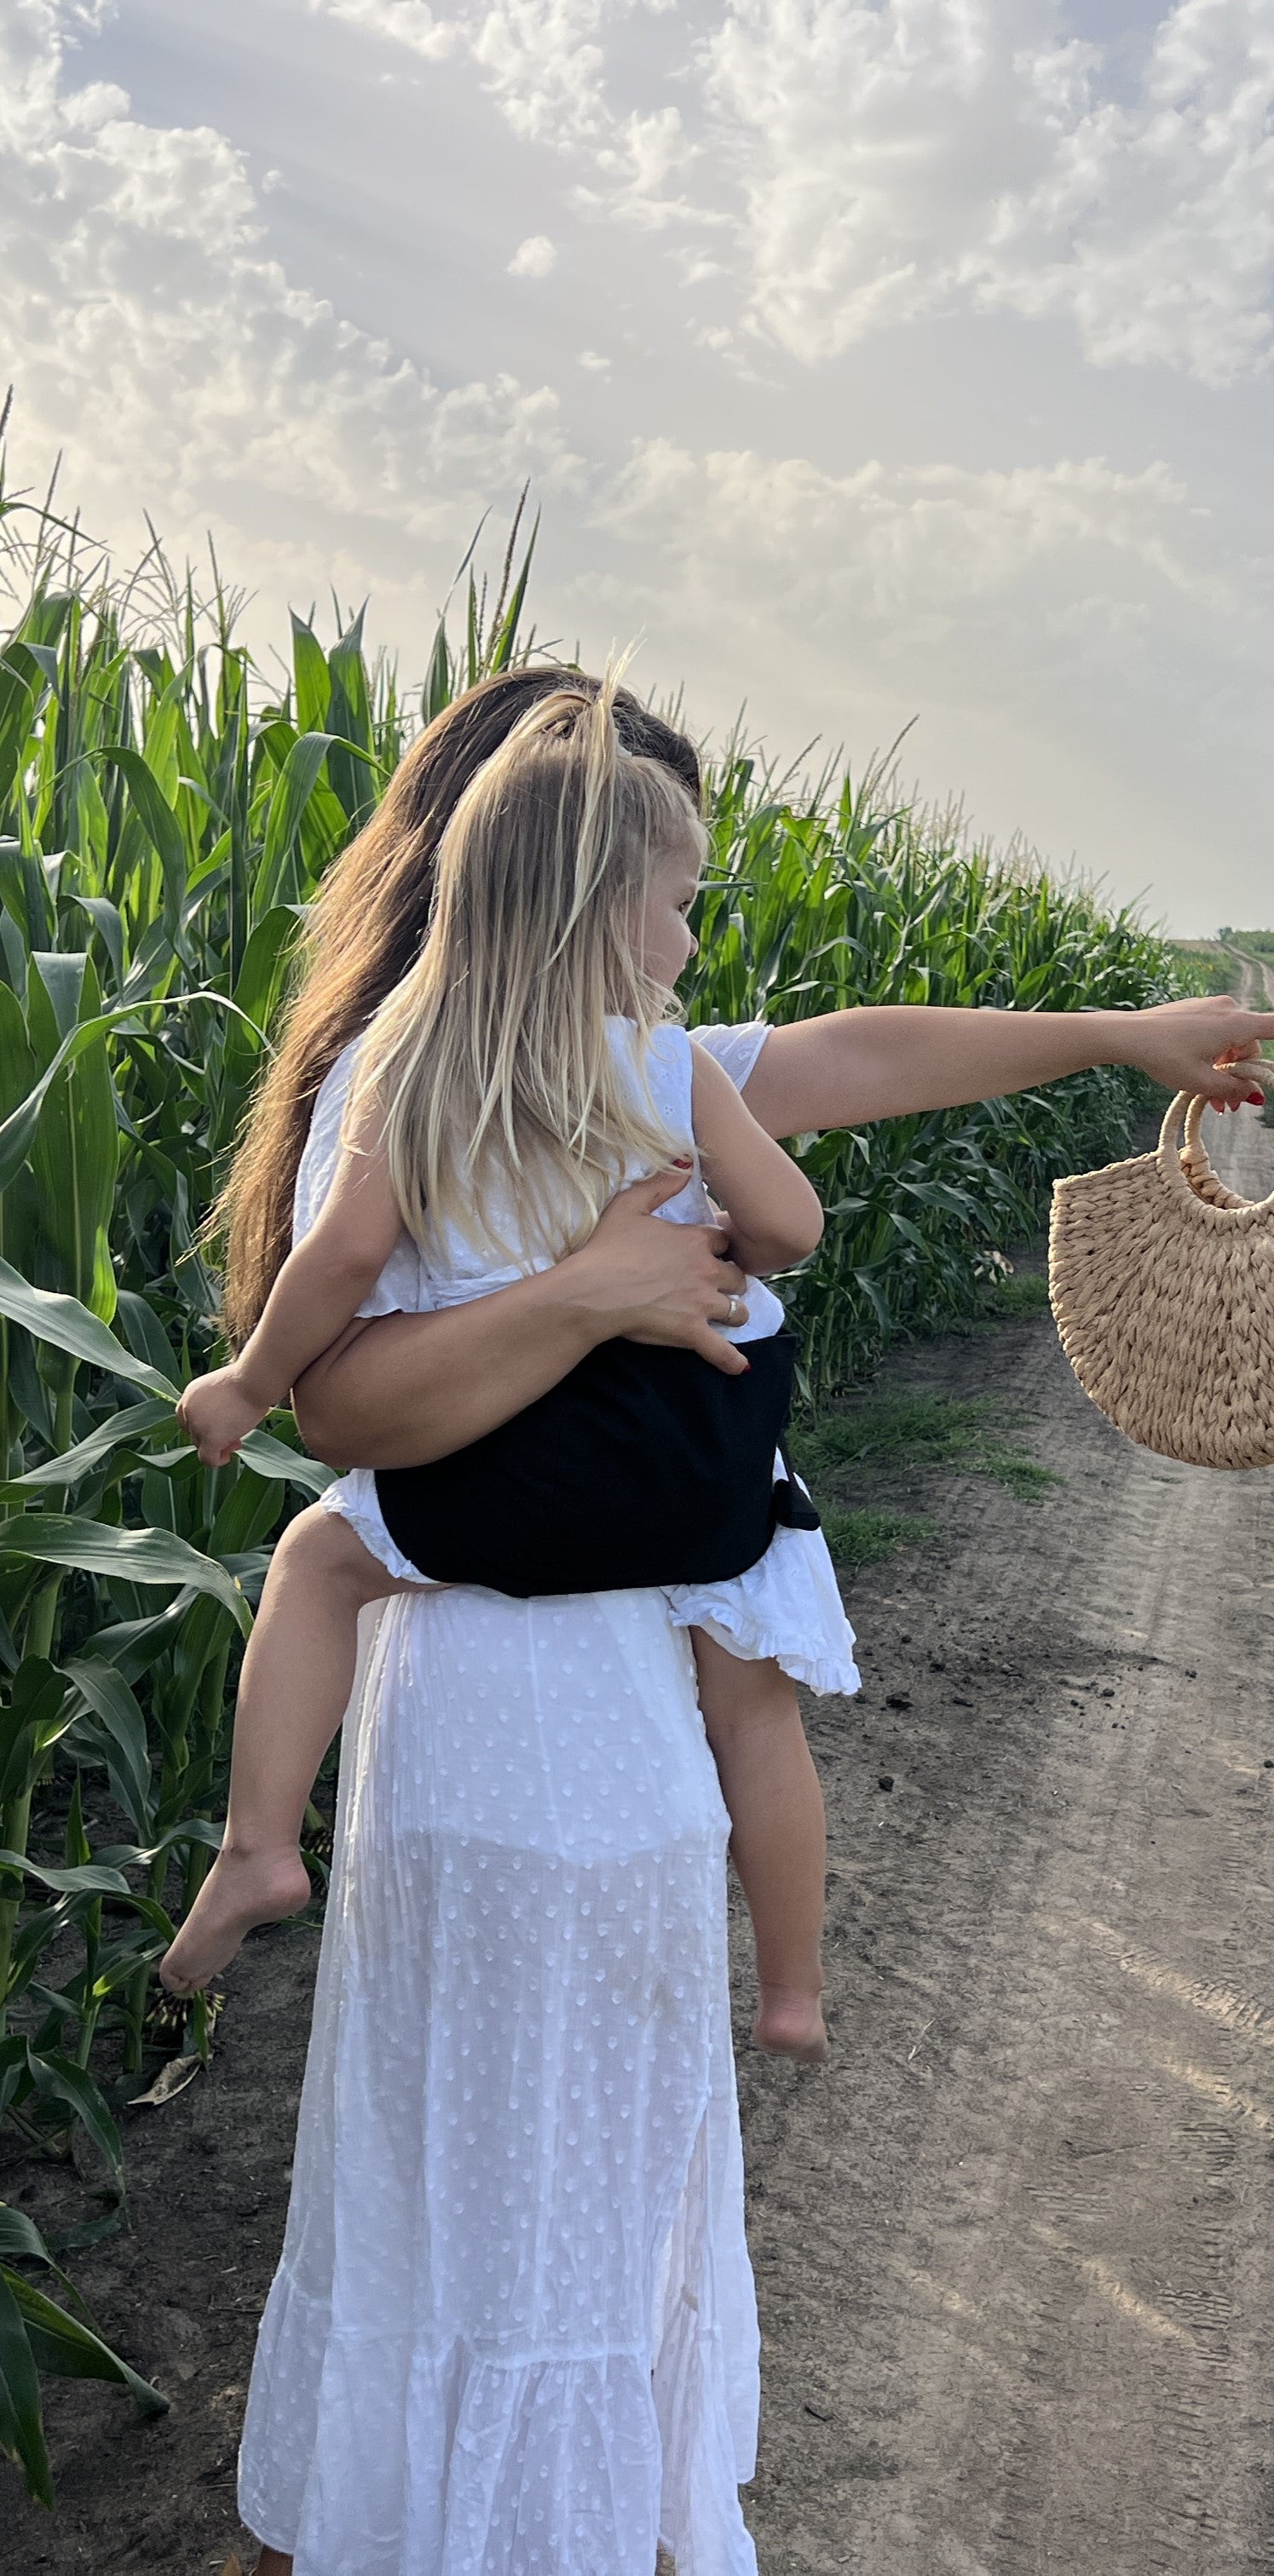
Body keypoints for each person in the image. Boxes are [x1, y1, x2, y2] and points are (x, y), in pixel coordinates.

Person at [217, 661, 1274, 2576]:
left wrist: (1115, 1035)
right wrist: (595, 1290)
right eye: (657, 883)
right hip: (501, 1704)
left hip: (593, 1713)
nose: (684, 937)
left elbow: (844, 1055)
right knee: (506, 2178)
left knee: (579, 2172)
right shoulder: (408, 1083)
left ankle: (558, 2519)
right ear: (540, 877)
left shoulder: (584, 1052)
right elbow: (347, 1418)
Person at [162, 678, 848, 2074]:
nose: (691, 935)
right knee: (753, 1698)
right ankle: (791, 1990)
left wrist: (244, 1384)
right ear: (600, 916)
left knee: (317, 1561)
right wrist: (707, 1232)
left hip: (519, 1466)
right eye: (674, 902)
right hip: (693, 1453)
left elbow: (341, 1263)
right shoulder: (662, 1065)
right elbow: (789, 1230)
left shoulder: (411, 1064)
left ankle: (252, 1845)